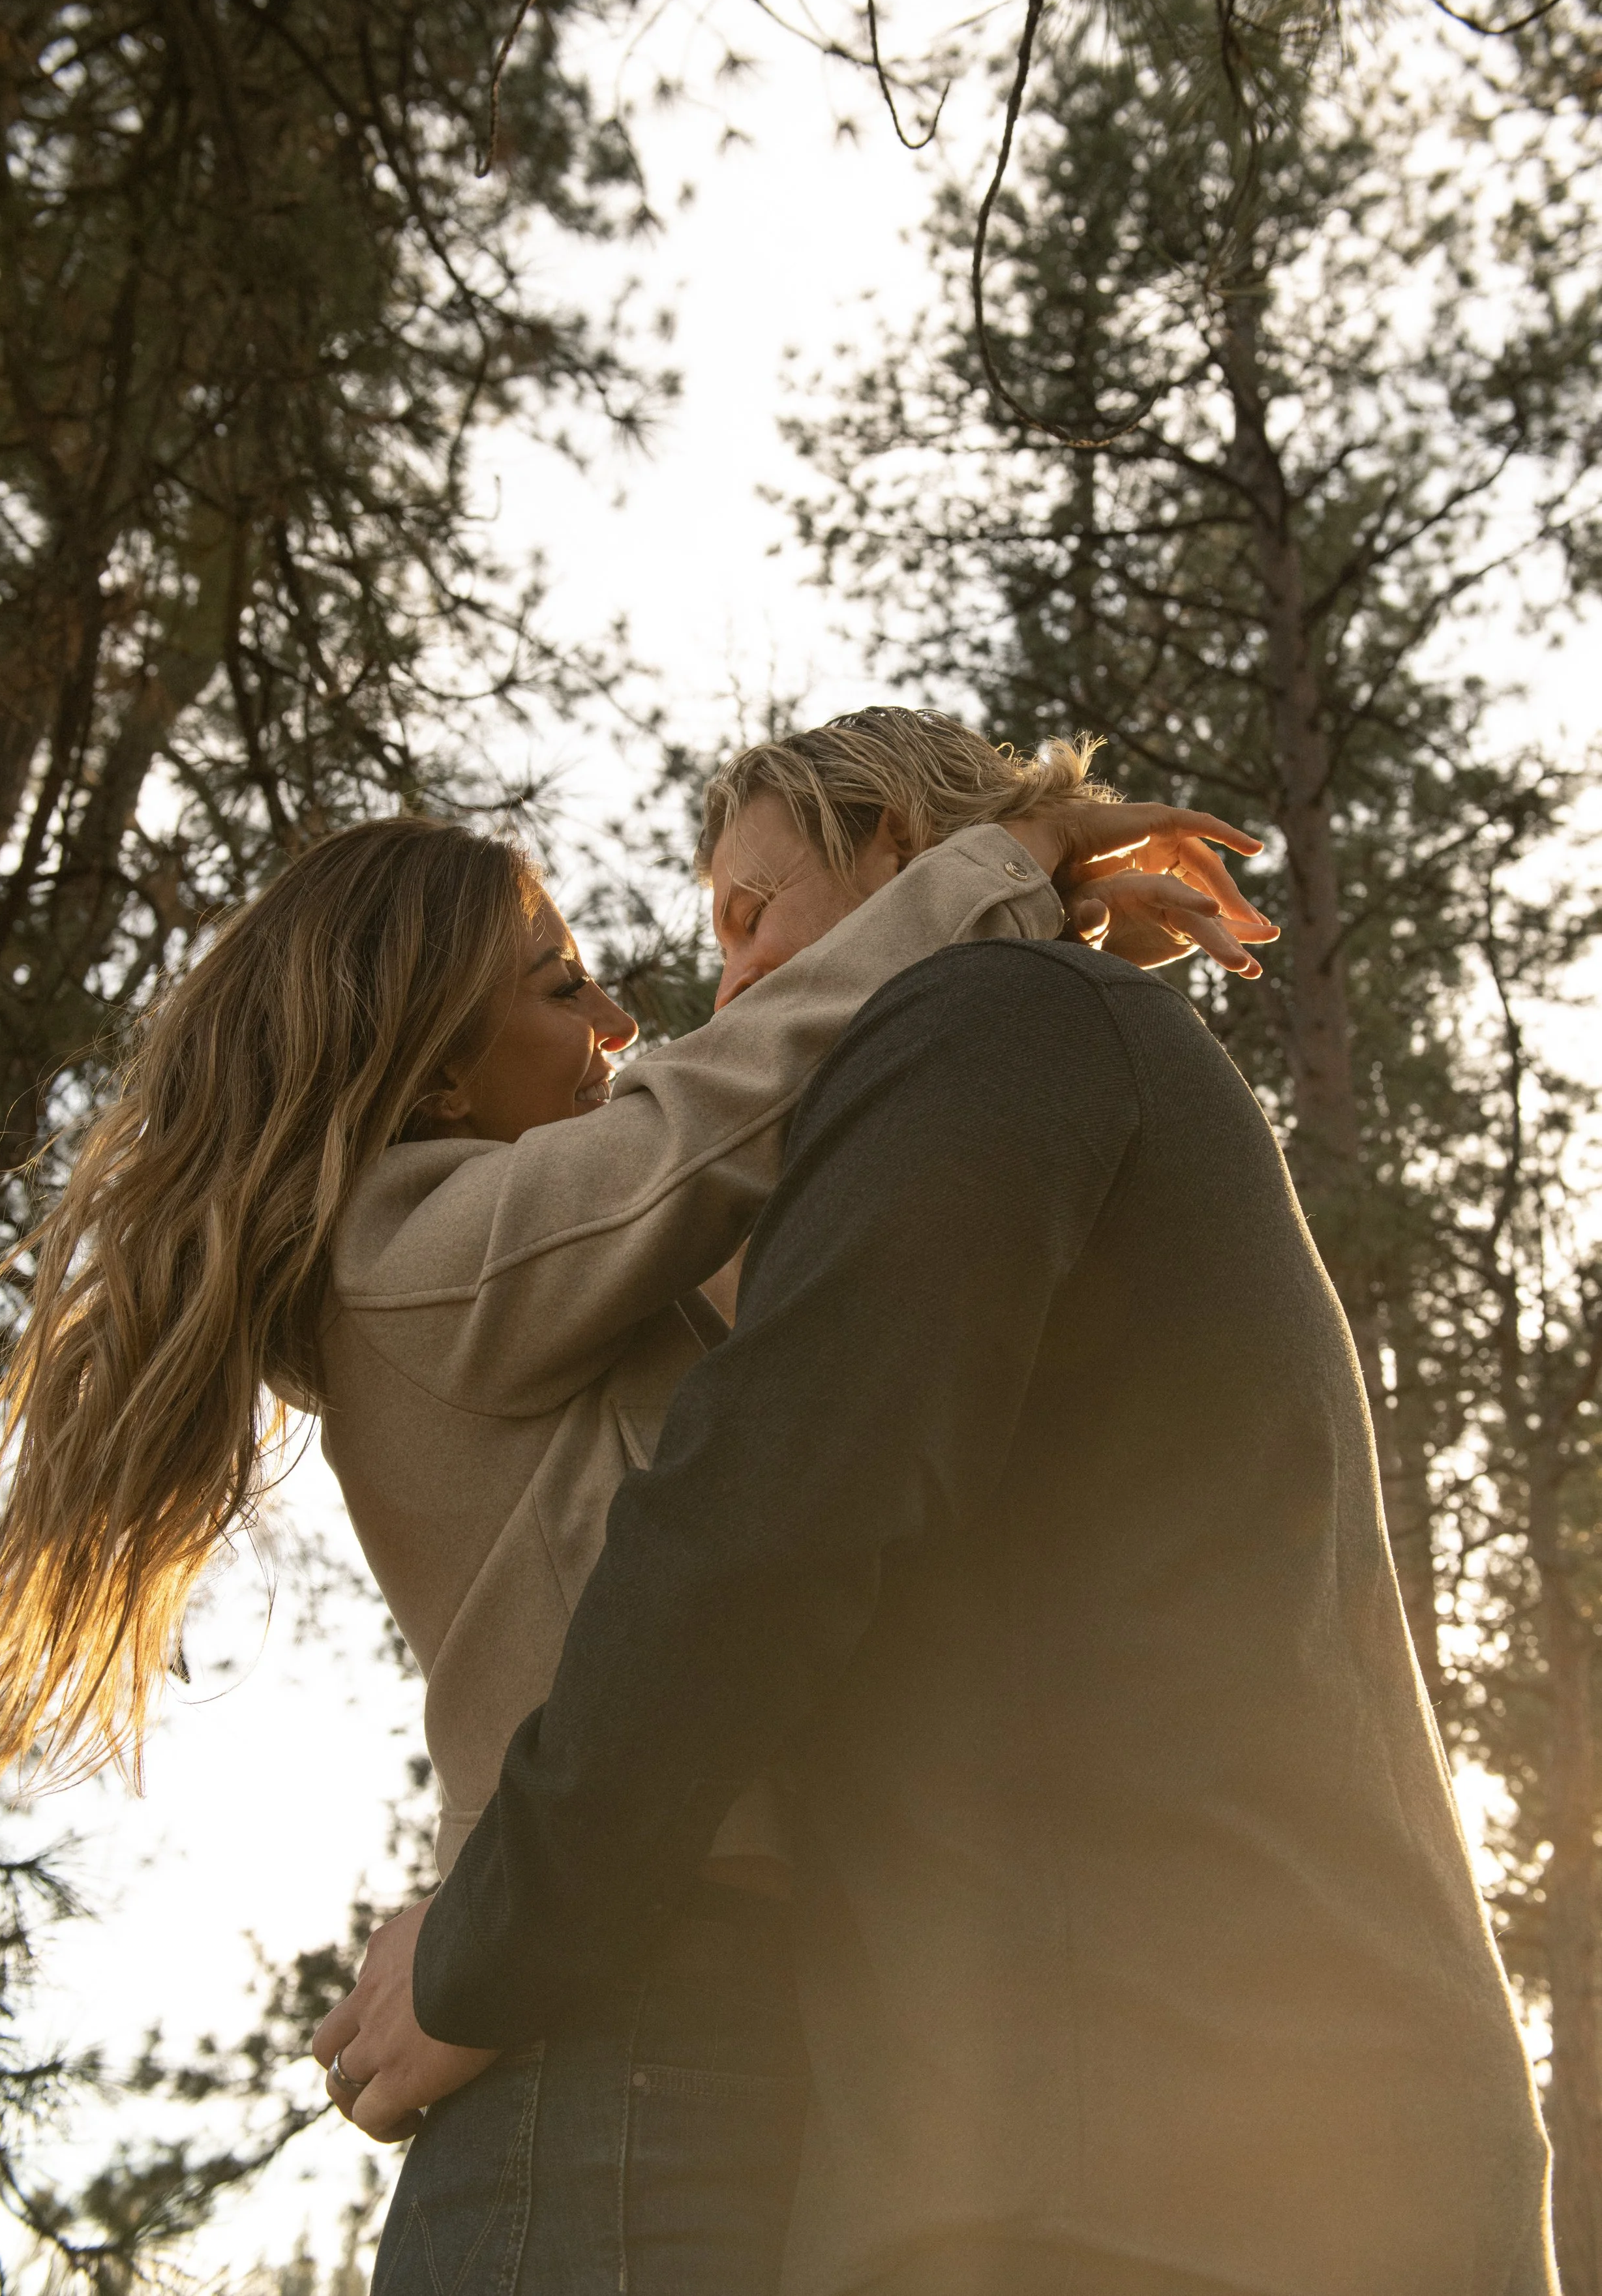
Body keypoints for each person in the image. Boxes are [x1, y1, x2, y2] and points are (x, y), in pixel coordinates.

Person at [0, 713, 1270, 2293]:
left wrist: (1024, 944)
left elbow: (848, 1202)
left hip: (678, 2025)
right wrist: (1016, 860)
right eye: (558, 986)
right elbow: (718, 1113)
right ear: (435, 1064)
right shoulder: (412, 1262)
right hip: (603, 2059)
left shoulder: (563, 1284)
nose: (620, 1019)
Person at [318, 711, 1556, 2296]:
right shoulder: (1036, 1049)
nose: (720, 995)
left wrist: (487, 1942)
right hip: (1227, 2144)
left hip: (1157, 2171)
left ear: (900, 852)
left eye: (749, 915)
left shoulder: (994, 1021)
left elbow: (757, 1524)